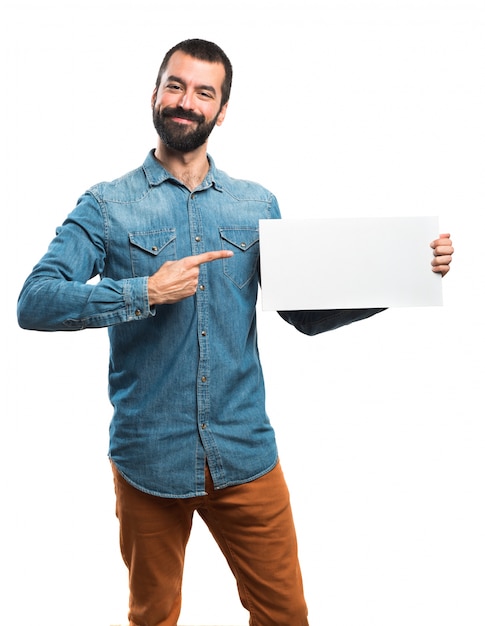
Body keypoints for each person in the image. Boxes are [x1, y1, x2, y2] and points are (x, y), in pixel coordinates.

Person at [17, 38, 454, 626]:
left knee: (285, 615)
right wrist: (145, 291)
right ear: (154, 95)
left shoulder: (256, 203)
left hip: (244, 454)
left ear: (221, 111)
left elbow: (302, 312)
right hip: (150, 460)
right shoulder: (106, 206)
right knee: (152, 618)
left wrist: (404, 272)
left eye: (204, 92)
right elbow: (34, 301)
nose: (186, 101)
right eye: (175, 86)